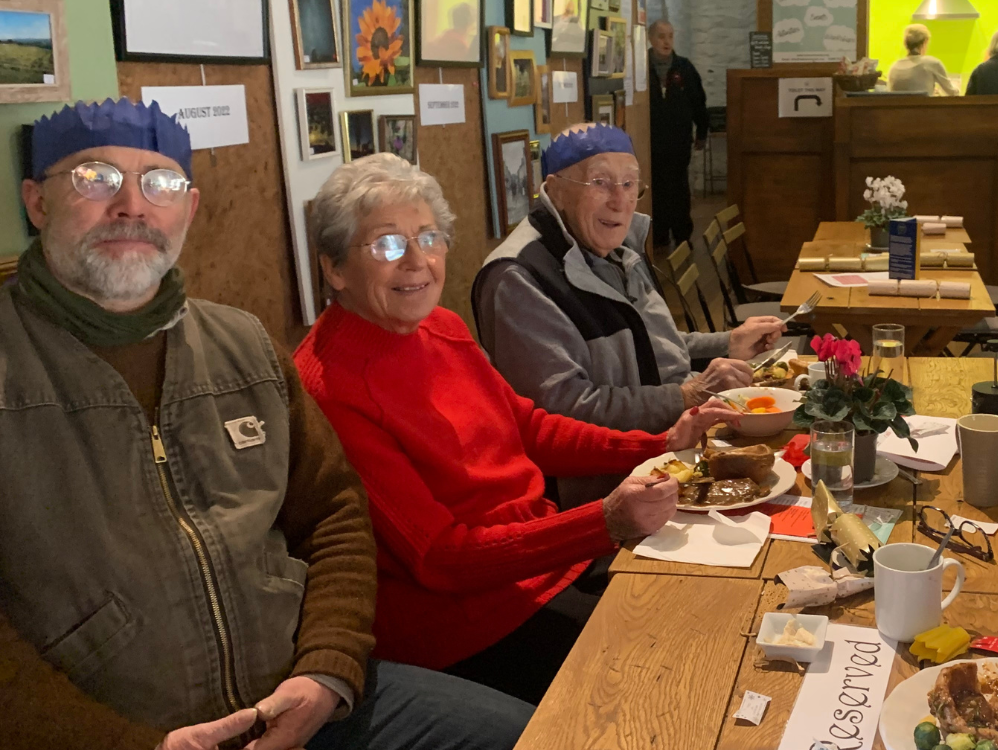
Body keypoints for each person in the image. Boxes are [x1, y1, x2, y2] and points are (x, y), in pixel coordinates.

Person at [1, 99, 531, 750]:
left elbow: (334, 514)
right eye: (96, 178)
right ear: (36, 202)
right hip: (123, 736)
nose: (133, 205)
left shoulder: (243, 346)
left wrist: (327, 670)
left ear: (188, 210)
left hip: (307, 702)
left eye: (161, 183)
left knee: (547, 735)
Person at [295, 152, 741, 706]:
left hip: (546, 567)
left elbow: (528, 428)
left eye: (429, 238)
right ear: (335, 268)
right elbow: (441, 557)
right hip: (469, 624)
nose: (417, 262)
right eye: (387, 245)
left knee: (715, 618)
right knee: (670, 682)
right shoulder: (331, 386)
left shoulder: (440, 325)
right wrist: (602, 522)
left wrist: (658, 443)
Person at [472, 123, 784, 475]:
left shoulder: (611, 247)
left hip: (666, 455)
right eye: (599, 183)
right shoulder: (519, 277)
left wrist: (728, 343)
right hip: (600, 488)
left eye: (629, 183)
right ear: (554, 190)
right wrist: (686, 396)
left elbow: (643, 344)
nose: (620, 201)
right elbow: (562, 411)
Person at [646, 19, 708, 250]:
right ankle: (659, 234)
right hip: (651, 141)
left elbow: (698, 102)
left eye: (670, 36)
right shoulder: (642, 66)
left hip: (679, 141)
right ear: (651, 39)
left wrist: (702, 131)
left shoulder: (684, 67)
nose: (666, 41)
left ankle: (682, 235)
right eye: (661, 36)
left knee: (679, 188)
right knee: (657, 188)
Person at [888, 24, 959, 96]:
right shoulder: (932, 63)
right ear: (925, 42)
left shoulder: (894, 67)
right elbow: (952, 93)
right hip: (924, 107)